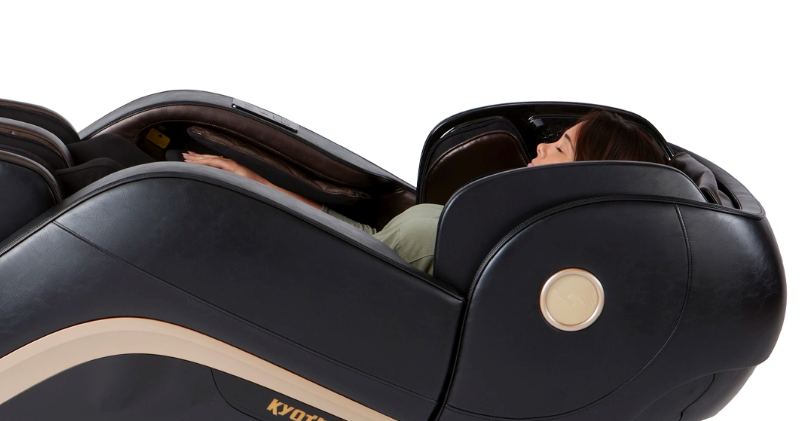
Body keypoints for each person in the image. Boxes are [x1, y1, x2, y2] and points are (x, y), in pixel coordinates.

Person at [181, 109, 666, 275]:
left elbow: (342, 259)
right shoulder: (496, 232)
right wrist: (259, 185)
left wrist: (254, 196)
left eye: (559, 148)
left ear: (582, 181)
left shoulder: (506, 255)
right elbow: (368, 242)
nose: (541, 146)